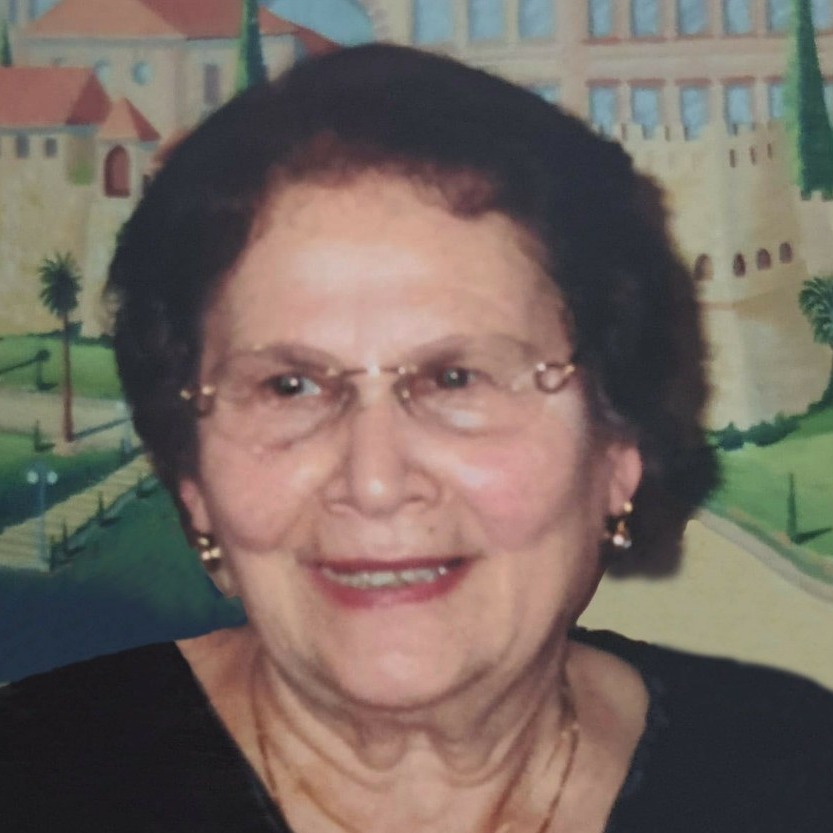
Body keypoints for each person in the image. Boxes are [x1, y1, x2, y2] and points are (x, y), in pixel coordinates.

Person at [2, 43, 832, 833]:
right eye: (289, 386)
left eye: (456, 378)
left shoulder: (796, 778)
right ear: (194, 484)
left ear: (618, 452)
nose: (373, 480)